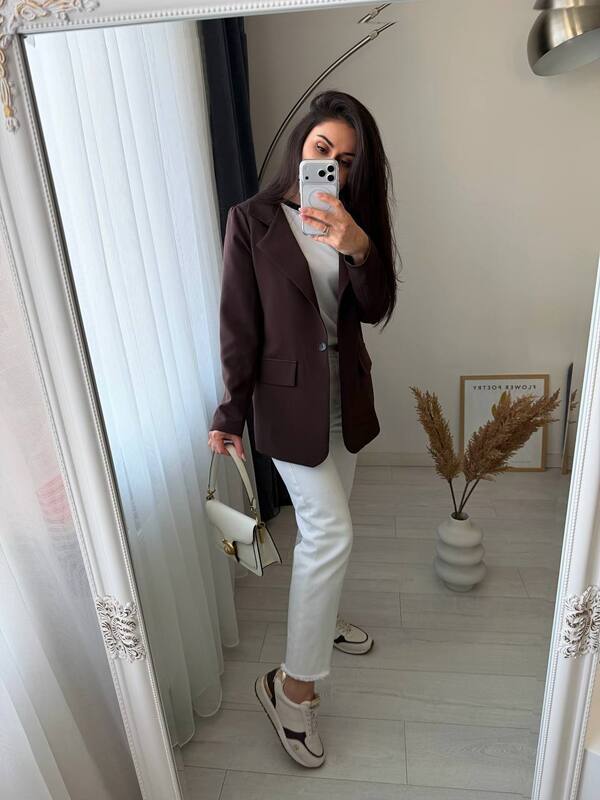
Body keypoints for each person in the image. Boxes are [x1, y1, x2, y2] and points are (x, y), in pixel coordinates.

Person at [208, 90, 399, 768]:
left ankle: (318, 619)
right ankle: (291, 690)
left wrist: (360, 248)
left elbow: (376, 308)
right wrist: (229, 411)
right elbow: (238, 325)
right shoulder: (251, 221)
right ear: (301, 145)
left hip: (347, 396)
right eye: (323, 150)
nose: (333, 168)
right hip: (287, 402)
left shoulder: (354, 221)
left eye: (346, 161)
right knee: (330, 532)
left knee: (328, 533)